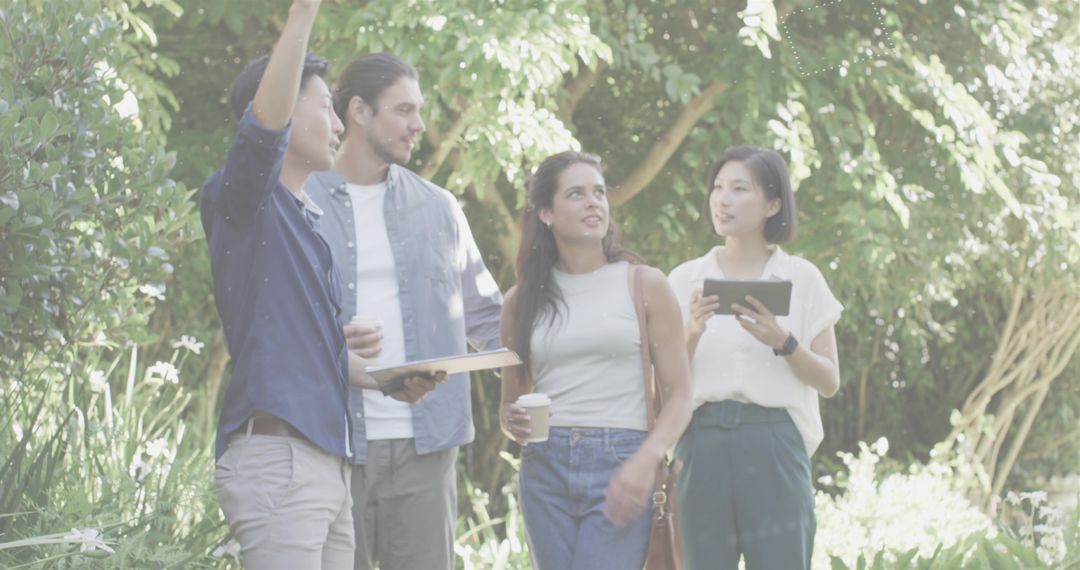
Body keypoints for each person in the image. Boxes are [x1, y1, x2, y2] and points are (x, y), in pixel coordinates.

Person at [200, 5, 435, 568]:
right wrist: (303, 14)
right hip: (280, 461)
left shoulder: (306, 222)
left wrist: (385, 380)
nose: (337, 125)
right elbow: (264, 128)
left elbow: (313, 354)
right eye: (326, 107)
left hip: (327, 465)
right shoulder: (246, 199)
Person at [305, 53, 503, 570]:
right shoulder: (300, 203)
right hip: (333, 442)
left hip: (427, 445)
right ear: (358, 112)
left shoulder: (439, 207)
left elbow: (487, 317)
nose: (419, 125)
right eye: (404, 110)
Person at [499, 151, 693, 570]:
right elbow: (510, 404)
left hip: (622, 461)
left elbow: (680, 396)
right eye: (576, 194)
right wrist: (510, 421)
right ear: (546, 213)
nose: (594, 203)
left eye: (599, 192)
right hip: (544, 468)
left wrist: (646, 461)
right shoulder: (520, 301)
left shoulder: (645, 285)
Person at [667, 146, 844, 570]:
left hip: (775, 442)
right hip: (700, 442)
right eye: (717, 187)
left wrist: (784, 341)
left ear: (772, 204)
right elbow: (663, 384)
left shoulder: (802, 278)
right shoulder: (684, 279)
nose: (722, 199)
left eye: (739, 189)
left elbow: (829, 381)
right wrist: (691, 331)